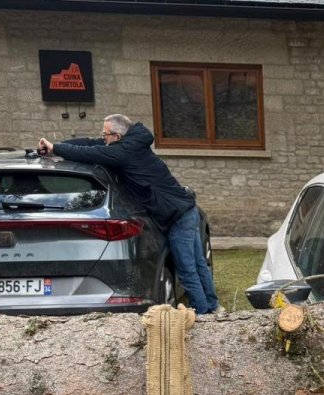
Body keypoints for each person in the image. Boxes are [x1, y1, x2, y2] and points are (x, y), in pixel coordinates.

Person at [38, 114, 220, 314]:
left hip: (177, 216)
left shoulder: (124, 153)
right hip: (185, 209)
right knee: (198, 262)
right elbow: (91, 143)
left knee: (187, 270)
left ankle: (203, 314)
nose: (103, 137)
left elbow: (92, 153)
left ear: (117, 136)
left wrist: (56, 149)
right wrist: (56, 145)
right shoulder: (131, 143)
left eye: (105, 134)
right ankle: (212, 306)